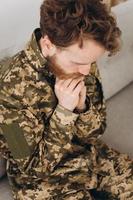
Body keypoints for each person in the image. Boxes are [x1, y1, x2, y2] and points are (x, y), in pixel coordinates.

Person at [0, 0, 133, 199]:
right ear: (48, 45)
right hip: (44, 185)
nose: (87, 71)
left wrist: (81, 108)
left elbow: (96, 130)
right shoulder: (7, 92)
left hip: (90, 158)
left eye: (91, 63)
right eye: (79, 63)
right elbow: (32, 168)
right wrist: (64, 113)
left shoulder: (83, 60)